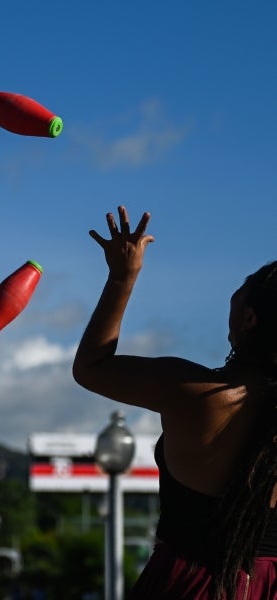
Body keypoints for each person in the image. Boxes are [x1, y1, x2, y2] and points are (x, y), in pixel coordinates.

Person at [72, 206, 277, 599]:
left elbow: (92, 368)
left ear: (249, 319)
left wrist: (121, 277)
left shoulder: (195, 393)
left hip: (191, 586)